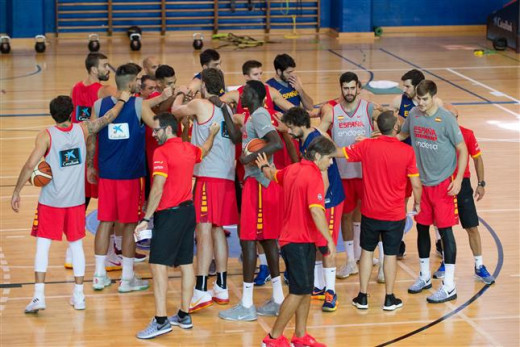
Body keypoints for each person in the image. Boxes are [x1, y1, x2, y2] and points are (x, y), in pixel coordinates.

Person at [11, 93, 130, 313]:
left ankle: (39, 297)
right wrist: (122, 100)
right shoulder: (83, 129)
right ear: (71, 112)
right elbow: (109, 117)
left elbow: (30, 165)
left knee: (42, 246)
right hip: (75, 202)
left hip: (51, 201)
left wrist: (17, 191)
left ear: (52, 114)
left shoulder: (46, 135)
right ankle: (79, 296)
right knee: (76, 247)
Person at [135, 113, 220, 339]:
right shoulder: (189, 149)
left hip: (169, 216)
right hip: (188, 212)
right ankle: (184, 314)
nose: (153, 134)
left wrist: (145, 218)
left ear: (168, 129)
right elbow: (206, 149)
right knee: (185, 263)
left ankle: (161, 320)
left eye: (156, 130)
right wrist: (212, 133)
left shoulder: (161, 152)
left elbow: (158, 187)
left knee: (158, 265)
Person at [89, 63, 173, 293]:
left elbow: (92, 139)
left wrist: (90, 166)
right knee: (128, 226)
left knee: (105, 222)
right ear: (131, 82)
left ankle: (98, 276)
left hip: (107, 174)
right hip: (131, 176)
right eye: (138, 79)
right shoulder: (138, 105)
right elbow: (159, 129)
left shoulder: (99, 105)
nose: (140, 82)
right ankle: (127, 279)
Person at [335, 111, 422, 311]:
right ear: (396, 128)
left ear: (377, 128)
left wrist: (319, 138)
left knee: (366, 252)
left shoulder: (366, 145)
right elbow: (416, 184)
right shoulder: (407, 152)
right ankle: (389, 298)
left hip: (370, 212)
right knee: (390, 255)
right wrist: (418, 203)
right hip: (395, 214)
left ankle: (362, 296)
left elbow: (339, 152)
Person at [171, 68, 241, 312]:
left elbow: (175, 111)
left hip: (208, 177)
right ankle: (220, 286)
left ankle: (200, 290)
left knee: (202, 232)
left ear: (203, 86)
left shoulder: (201, 105)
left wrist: (181, 93)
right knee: (217, 231)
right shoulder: (227, 109)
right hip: (226, 177)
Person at [257, 136, 336, 347]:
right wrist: (329, 238)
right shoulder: (313, 176)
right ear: (318, 156)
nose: (330, 163)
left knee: (305, 288)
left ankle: (300, 336)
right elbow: (317, 211)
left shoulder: (292, 169)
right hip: (298, 242)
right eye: (329, 159)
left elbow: (273, 175)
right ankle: (273, 338)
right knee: (298, 291)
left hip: (298, 240)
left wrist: (264, 166)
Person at [218, 80, 284, 321]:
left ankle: (246, 305)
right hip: (260, 185)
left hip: (259, 184)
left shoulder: (259, 115)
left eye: (243, 92)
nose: (240, 95)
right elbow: (237, 138)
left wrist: (250, 159)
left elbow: (275, 142)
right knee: (267, 241)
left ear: (254, 95)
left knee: (247, 240)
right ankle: (278, 299)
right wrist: (224, 109)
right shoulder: (250, 117)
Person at [398, 80, 468, 303]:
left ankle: (449, 285)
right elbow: (401, 137)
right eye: (418, 99)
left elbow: (462, 149)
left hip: (443, 186)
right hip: (422, 184)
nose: (420, 103)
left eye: (424, 99)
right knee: (421, 229)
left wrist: (458, 179)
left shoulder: (446, 119)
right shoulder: (414, 115)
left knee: (446, 233)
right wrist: (379, 140)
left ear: (434, 96)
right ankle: (425, 276)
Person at [281, 107, 345, 312]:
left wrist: (312, 201)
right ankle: (317, 286)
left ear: (301, 125)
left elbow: (323, 181)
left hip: (329, 199)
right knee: (316, 243)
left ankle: (331, 292)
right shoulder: (306, 139)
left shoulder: (314, 142)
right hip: (318, 200)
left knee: (326, 246)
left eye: (291, 128)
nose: (289, 132)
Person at [319, 72, 380, 279]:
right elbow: (317, 134)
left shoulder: (369, 108)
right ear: (341, 88)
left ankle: (370, 256)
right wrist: (330, 144)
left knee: (369, 215)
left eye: (352, 88)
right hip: (343, 173)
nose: (349, 92)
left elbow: (390, 126)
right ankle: (351, 261)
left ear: (359, 88)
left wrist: (375, 139)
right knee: (346, 216)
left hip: (366, 173)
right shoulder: (333, 112)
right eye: (345, 88)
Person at [64, 52, 116, 270]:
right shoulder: (103, 91)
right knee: (109, 205)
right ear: (94, 69)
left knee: (80, 203)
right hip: (97, 153)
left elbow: (71, 119)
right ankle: (113, 252)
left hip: (77, 151)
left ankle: (70, 252)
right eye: (105, 65)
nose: (108, 69)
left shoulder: (75, 88)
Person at [432, 105, 495, 285]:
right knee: (444, 228)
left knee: (472, 226)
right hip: (443, 184)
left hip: (463, 184)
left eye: (452, 117)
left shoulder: (467, 134)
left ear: (457, 118)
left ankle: (479, 265)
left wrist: (481, 183)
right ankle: (446, 262)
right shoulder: (436, 134)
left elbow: (477, 158)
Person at [391, 69, 443, 260]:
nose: (403, 89)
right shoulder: (399, 102)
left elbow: (451, 115)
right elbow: (395, 129)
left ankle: (439, 241)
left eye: (407, 86)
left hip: (427, 162)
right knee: (402, 201)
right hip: (405, 161)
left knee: (432, 202)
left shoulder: (435, 105)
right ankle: (399, 241)